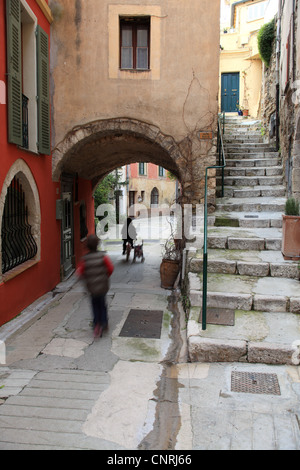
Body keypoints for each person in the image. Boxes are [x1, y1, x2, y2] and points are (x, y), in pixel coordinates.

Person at [76, 235, 114, 338]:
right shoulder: (103, 257)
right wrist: (105, 276)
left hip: (92, 288)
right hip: (102, 286)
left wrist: (86, 279)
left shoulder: (84, 259)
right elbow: (110, 268)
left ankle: (96, 324)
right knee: (102, 305)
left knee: (95, 305)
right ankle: (104, 323)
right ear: (97, 245)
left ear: (87, 246)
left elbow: (80, 272)